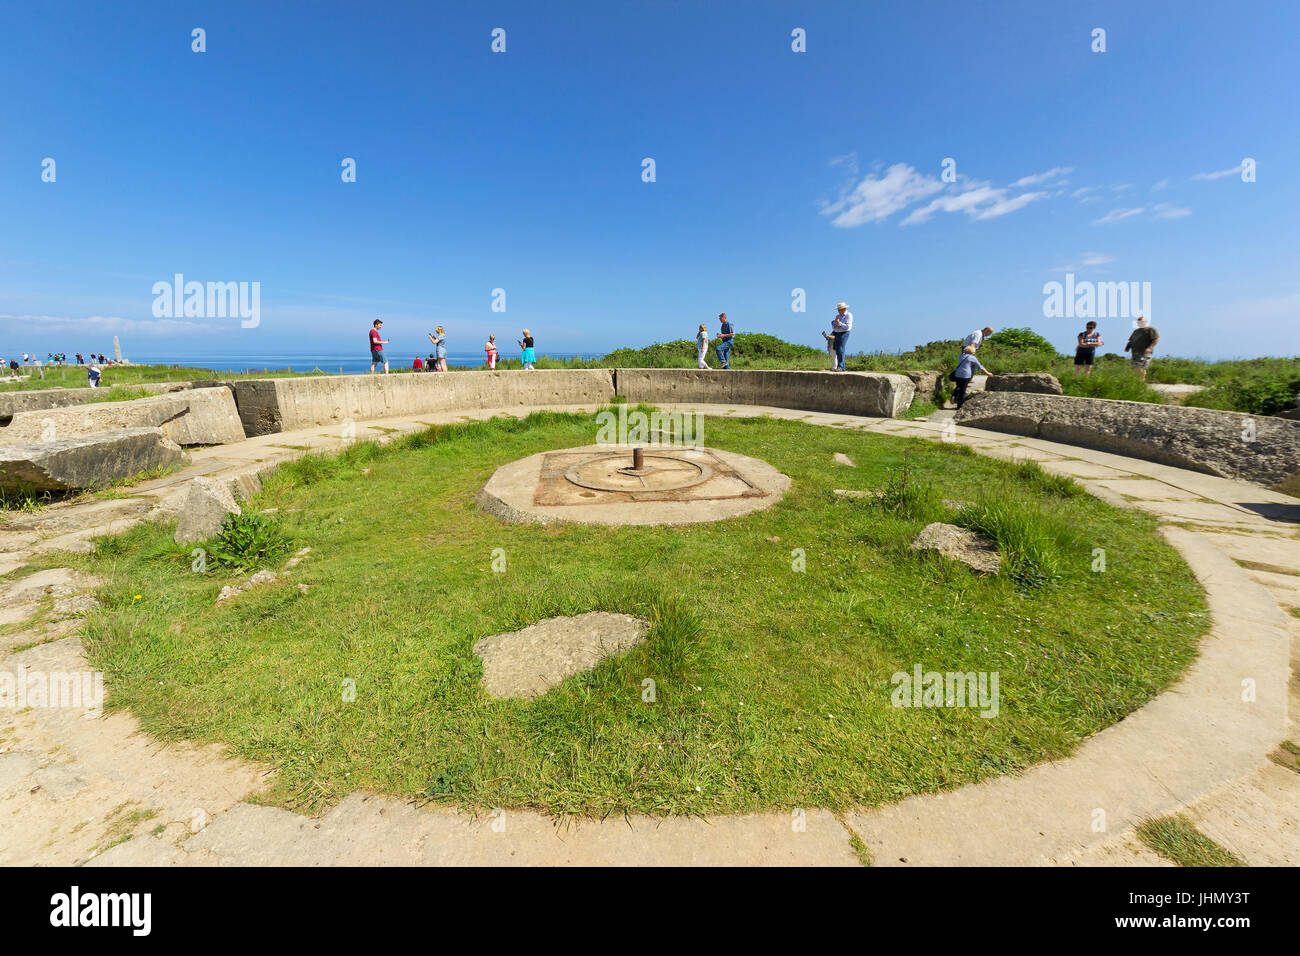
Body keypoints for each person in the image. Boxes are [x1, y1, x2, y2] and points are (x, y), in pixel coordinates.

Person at [830, 302, 853, 371]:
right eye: (838, 309)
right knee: (837, 349)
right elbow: (834, 326)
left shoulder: (849, 315)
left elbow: (847, 326)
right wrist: (837, 326)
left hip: (844, 333)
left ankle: (840, 367)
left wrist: (839, 323)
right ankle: (842, 367)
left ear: (844, 309)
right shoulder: (837, 316)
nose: (838, 311)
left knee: (841, 348)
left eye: (840, 309)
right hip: (837, 333)